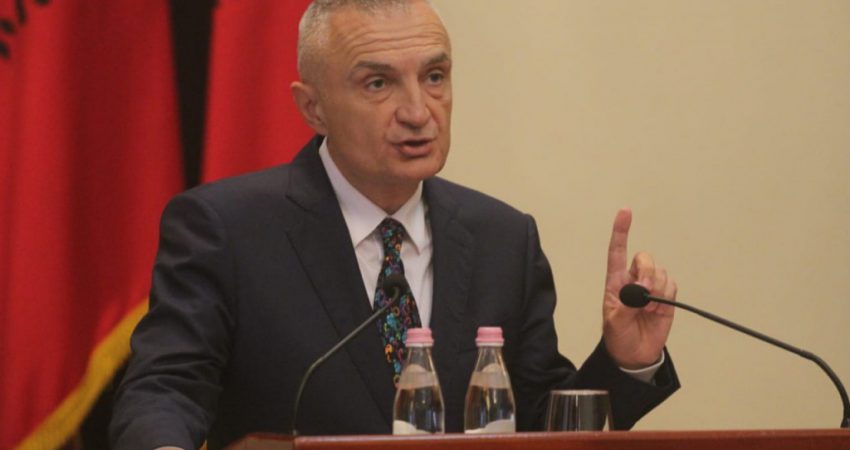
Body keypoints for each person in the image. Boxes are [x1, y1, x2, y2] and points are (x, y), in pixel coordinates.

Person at [110, 1, 680, 449]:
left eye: (434, 76)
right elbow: (166, 388)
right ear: (312, 108)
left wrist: (627, 362)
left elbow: (534, 423)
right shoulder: (227, 229)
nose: (418, 111)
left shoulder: (503, 238)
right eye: (378, 84)